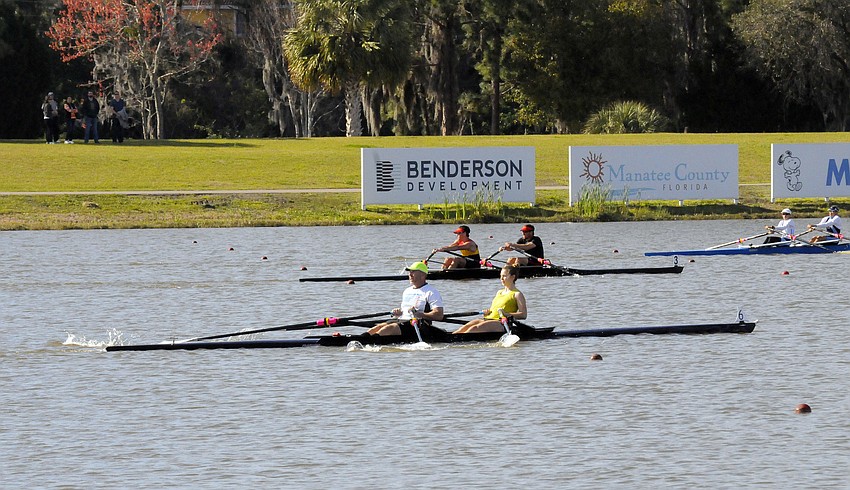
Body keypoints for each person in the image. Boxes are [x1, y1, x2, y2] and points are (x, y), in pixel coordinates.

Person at [365, 261, 444, 339]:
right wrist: (398, 313)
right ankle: (361, 339)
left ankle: (369, 341)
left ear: (423, 275)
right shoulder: (407, 291)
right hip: (402, 321)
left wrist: (420, 314)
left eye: (413, 272)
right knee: (377, 327)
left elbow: (439, 315)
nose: (410, 274)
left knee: (389, 328)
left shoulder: (431, 292)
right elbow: (404, 312)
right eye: (409, 272)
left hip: (419, 325)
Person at [453, 265, 527, 334]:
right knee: (462, 329)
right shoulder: (499, 292)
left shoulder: (517, 294)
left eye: (504, 276)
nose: (501, 279)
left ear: (512, 277)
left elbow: (523, 315)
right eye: (500, 276)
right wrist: (487, 312)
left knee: (474, 329)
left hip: (501, 323)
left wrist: (507, 314)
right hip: (488, 318)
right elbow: (495, 309)